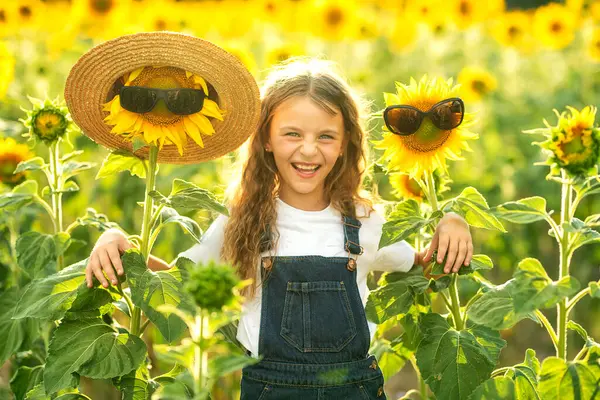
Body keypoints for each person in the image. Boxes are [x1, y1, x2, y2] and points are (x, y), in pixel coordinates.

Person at [86, 58, 473, 400]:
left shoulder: (365, 220)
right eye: (292, 134)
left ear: (345, 145)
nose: (308, 150)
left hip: (354, 388)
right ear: (266, 140)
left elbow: (425, 265)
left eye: (325, 136)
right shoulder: (241, 220)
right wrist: (120, 245)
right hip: (271, 388)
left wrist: (452, 223)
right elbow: (178, 281)